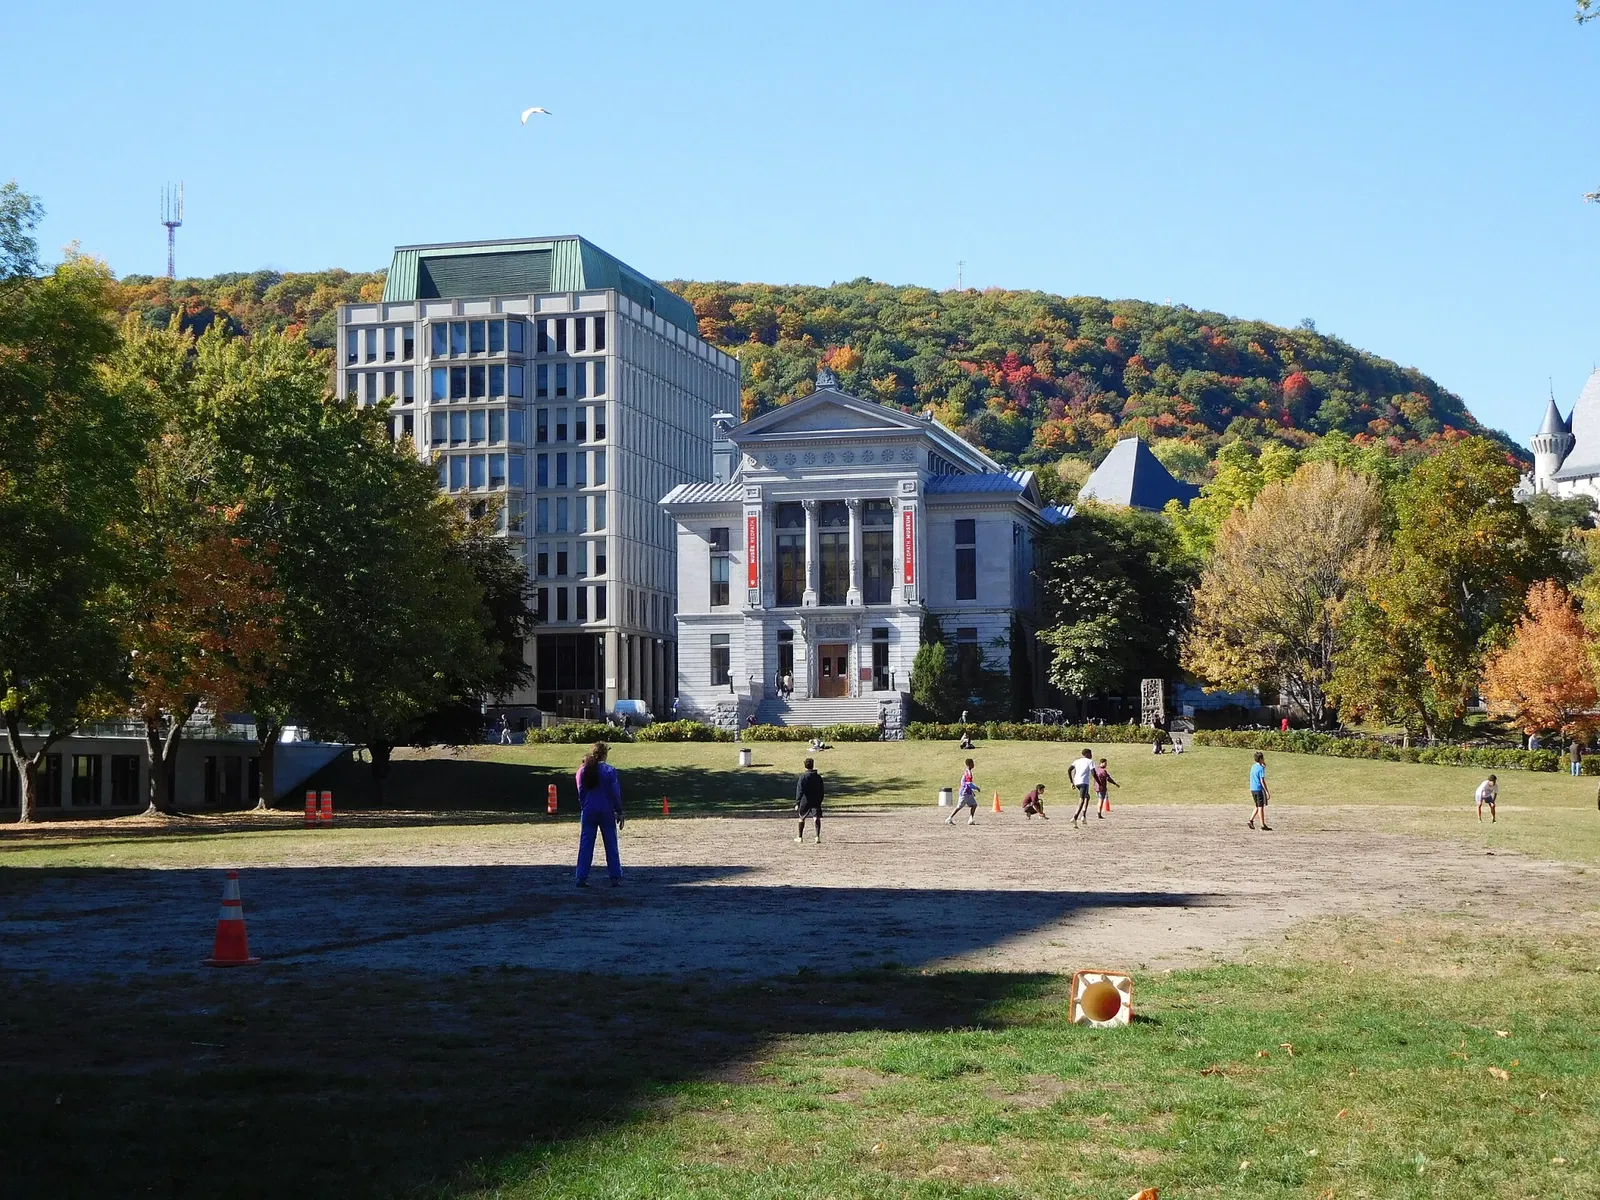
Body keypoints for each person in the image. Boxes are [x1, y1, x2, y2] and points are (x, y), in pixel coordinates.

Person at [573, 742, 624, 887]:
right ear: (605, 754)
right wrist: (619, 811)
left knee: (586, 844)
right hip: (606, 811)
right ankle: (615, 876)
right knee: (611, 844)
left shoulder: (583, 771)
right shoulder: (610, 771)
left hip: (589, 810)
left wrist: (585, 805)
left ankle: (581, 877)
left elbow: (580, 791)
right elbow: (615, 794)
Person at [795, 757, 824, 843]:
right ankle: (817, 836)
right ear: (813, 765)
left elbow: (799, 790)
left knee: (801, 818)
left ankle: (800, 837)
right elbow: (821, 790)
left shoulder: (803, 777)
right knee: (816, 818)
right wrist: (820, 800)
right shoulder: (818, 777)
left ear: (805, 766)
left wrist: (797, 802)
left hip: (805, 800)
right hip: (816, 800)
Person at [947, 757, 980, 825]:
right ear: (969, 764)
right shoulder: (968, 773)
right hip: (964, 793)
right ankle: (949, 818)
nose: (974, 765)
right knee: (959, 806)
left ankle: (971, 819)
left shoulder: (967, 772)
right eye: (972, 763)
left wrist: (971, 792)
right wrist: (976, 788)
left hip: (968, 793)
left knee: (974, 805)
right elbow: (969, 784)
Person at [1070, 748, 1095, 824]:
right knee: (1082, 800)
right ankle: (1075, 817)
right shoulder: (1090, 761)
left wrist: (1072, 782)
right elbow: (1093, 773)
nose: (1091, 755)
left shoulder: (1077, 761)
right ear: (1087, 754)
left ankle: (1083, 816)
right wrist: (1098, 781)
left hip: (1077, 782)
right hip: (1084, 782)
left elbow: (1069, 770)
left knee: (1087, 796)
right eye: (1090, 754)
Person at [1248, 751, 1271, 830]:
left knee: (1257, 805)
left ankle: (1251, 820)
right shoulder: (1261, 768)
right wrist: (1267, 792)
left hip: (1253, 788)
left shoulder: (1253, 766)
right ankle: (1262, 825)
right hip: (1259, 789)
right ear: (1261, 759)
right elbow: (1262, 781)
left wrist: (1263, 765)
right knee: (1261, 807)